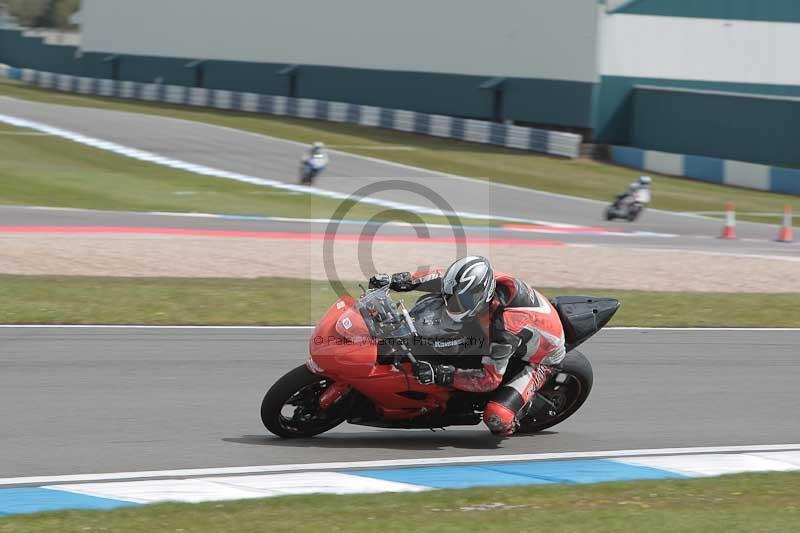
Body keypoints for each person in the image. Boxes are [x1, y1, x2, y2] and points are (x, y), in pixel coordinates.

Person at [369, 256, 565, 436]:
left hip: (542, 357)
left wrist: (440, 374)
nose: (453, 305)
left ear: (482, 296)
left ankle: (520, 412)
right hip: (520, 325)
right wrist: (402, 281)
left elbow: (489, 379)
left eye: (461, 302)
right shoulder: (478, 281)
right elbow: (442, 276)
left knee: (496, 417)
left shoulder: (504, 328)